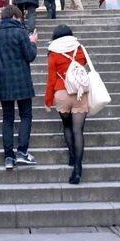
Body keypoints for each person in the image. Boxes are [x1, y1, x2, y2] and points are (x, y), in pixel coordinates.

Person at [0, 5, 38, 170]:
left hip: (4, 81)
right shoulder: (20, 33)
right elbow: (30, 55)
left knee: (8, 118)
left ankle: (8, 156)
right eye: (19, 18)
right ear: (15, 17)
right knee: (26, 115)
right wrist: (33, 43)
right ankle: (22, 152)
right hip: (22, 80)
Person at [45, 24, 89, 184]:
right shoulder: (79, 49)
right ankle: (77, 168)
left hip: (61, 92)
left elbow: (50, 80)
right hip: (79, 93)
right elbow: (83, 65)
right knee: (78, 130)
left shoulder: (53, 53)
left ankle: (71, 155)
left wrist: (48, 101)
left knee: (67, 126)